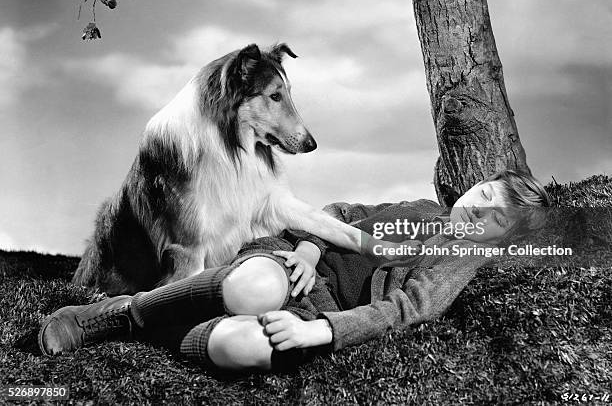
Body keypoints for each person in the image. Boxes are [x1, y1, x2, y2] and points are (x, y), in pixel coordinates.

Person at [39, 170, 550, 372]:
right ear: (473, 184)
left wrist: (317, 330)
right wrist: (306, 250)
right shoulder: (419, 207)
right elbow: (342, 212)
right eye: (482, 194)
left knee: (246, 345)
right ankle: (112, 316)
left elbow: (408, 308)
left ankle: (163, 327)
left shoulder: (461, 255)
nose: (476, 211)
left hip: (316, 308)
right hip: (290, 264)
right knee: (257, 285)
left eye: (495, 218)